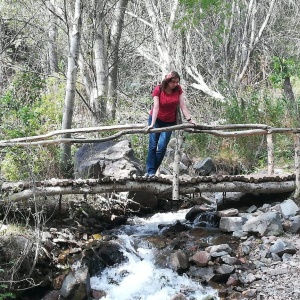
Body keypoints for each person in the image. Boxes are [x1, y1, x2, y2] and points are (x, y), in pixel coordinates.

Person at [145, 71, 194, 176]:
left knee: (162, 147)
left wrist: (190, 120)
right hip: (156, 119)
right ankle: (150, 172)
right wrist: (152, 124)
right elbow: (156, 106)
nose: (175, 84)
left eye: (177, 82)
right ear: (167, 81)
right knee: (153, 146)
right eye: (173, 82)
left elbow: (182, 105)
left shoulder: (178, 89)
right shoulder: (158, 89)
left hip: (169, 122)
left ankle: (152, 171)